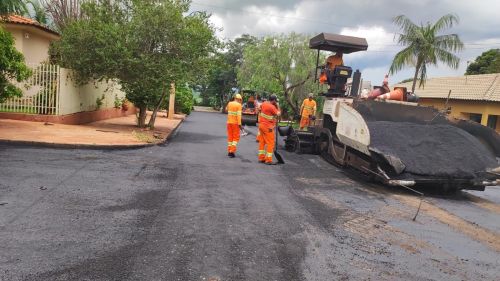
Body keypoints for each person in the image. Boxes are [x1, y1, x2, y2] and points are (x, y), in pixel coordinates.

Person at [258, 94, 280, 165]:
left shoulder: (264, 103)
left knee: (262, 142)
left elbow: (259, 108)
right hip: (268, 127)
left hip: (261, 125)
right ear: (273, 100)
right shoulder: (272, 107)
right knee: (270, 143)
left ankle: (261, 158)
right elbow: (278, 114)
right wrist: (278, 106)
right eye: (275, 101)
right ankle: (268, 160)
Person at [226, 94, 242, 158]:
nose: (240, 101)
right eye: (240, 100)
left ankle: (229, 150)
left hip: (229, 122)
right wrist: (240, 124)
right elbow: (239, 115)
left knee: (230, 137)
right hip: (235, 123)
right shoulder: (239, 105)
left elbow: (226, 109)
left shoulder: (229, 103)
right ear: (239, 99)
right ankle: (232, 151)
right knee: (235, 138)